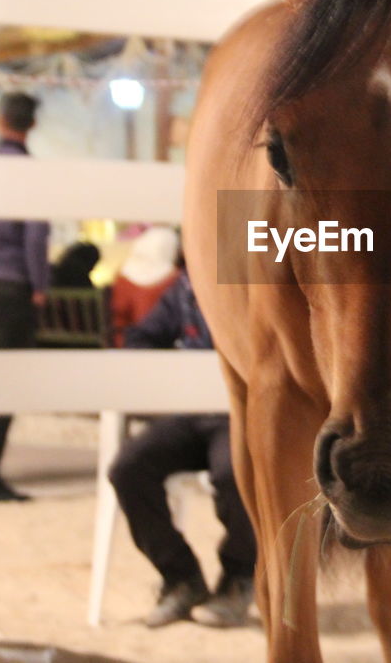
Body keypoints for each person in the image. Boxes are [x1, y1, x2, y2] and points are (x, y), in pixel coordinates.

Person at [109, 269, 256, 629]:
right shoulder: (186, 286)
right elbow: (140, 336)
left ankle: (239, 578)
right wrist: (164, 377)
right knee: (128, 467)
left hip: (240, 413)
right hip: (186, 410)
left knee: (234, 474)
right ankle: (181, 578)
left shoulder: (259, 279)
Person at [0, 92, 50, 502]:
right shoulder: (28, 172)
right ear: (32, 125)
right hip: (11, 288)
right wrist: (40, 286)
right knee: (1, 383)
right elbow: (35, 236)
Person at [110, 226, 180, 347]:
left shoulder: (122, 275)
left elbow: (117, 314)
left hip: (122, 340)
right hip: (156, 344)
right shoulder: (174, 279)